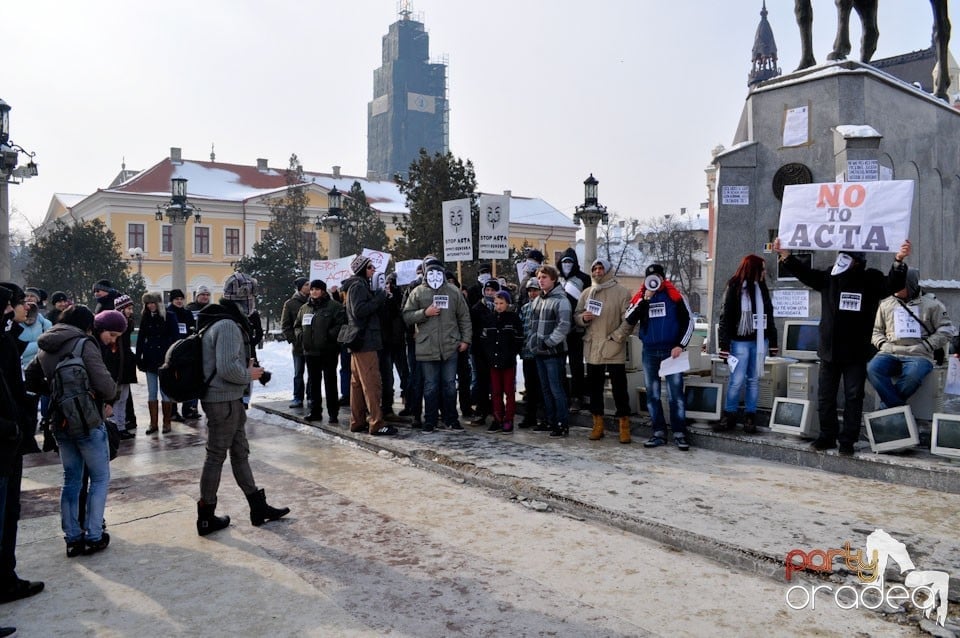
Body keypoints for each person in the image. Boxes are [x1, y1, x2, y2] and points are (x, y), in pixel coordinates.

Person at [774, 238, 910, 455]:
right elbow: (808, 275)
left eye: (846, 257)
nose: (841, 261)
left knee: (854, 397)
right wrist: (786, 256)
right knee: (825, 396)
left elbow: (892, 285)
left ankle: (848, 440)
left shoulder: (870, 279)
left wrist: (899, 260)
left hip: (855, 351)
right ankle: (827, 436)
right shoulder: (830, 277)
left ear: (857, 261)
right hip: (829, 350)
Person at [193, 288, 290, 536]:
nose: (253, 305)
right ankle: (206, 516)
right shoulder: (227, 325)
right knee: (216, 456)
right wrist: (250, 374)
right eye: (251, 300)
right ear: (243, 301)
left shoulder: (220, 320)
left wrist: (245, 369)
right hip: (222, 400)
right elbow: (227, 369)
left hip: (228, 399)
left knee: (240, 452)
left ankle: (257, 507)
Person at [26, 305, 115, 557]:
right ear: (86, 325)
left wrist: (57, 395)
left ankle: (72, 538)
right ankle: (95, 535)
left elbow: (31, 378)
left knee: (70, 480)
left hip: (60, 421)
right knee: (99, 478)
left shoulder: (46, 345)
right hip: (87, 420)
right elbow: (105, 385)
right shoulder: (84, 344)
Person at [0, 283, 44, 606]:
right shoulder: (3, 340)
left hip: (10, 438)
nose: (24, 309)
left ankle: (7, 576)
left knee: (10, 511)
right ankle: (4, 580)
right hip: (4, 441)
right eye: (19, 304)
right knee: (4, 514)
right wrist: (13, 427)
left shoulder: (7, 335)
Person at [625, 264, 696, 451]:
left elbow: (689, 322)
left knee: (676, 396)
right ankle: (658, 433)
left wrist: (680, 345)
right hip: (649, 351)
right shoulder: (641, 297)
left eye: (657, 276)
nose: (654, 280)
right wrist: (644, 300)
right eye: (650, 277)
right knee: (652, 395)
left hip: (671, 352)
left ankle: (679, 434)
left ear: (663, 278)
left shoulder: (675, 296)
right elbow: (629, 318)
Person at [868, 268, 955, 409]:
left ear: (910, 284)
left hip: (919, 353)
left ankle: (886, 410)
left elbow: (946, 330)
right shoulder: (885, 304)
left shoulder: (933, 305)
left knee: (912, 376)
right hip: (890, 351)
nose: (895, 288)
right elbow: (876, 331)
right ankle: (896, 409)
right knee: (873, 369)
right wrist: (884, 345)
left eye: (899, 284)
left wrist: (926, 346)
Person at [403, 257, 472, 433]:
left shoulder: (453, 291)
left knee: (449, 385)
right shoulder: (417, 292)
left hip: (450, 346)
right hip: (427, 347)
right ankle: (430, 420)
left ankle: (451, 420)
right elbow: (407, 316)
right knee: (431, 386)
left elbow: (464, 317)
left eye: (438, 272)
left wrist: (465, 339)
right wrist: (425, 313)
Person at [715, 254, 779, 434]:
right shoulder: (734, 286)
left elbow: (769, 315)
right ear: (753, 269)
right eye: (762, 269)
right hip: (739, 342)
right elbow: (725, 317)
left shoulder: (762, 288)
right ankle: (730, 415)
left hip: (759, 341)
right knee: (736, 380)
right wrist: (724, 346)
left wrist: (773, 342)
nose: (765, 272)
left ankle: (750, 416)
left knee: (754, 380)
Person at [574, 258, 634, 443]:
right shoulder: (586, 293)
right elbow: (576, 315)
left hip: (613, 345)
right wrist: (583, 318)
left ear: (608, 270)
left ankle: (624, 425)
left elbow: (629, 320)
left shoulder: (622, 292)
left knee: (619, 389)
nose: (598, 272)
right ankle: (597, 423)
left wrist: (617, 337)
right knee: (594, 388)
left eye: (601, 268)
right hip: (593, 346)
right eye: (595, 268)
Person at [341, 255, 394, 435]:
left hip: (360, 341)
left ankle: (357, 421)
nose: (373, 270)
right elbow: (360, 311)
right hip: (365, 342)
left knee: (356, 385)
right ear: (363, 269)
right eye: (370, 267)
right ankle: (377, 423)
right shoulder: (358, 286)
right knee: (371, 383)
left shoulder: (355, 286)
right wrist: (379, 297)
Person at [526, 265, 572, 437]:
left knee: (556, 388)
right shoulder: (538, 300)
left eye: (544, 277)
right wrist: (533, 342)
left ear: (553, 279)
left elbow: (564, 326)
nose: (541, 280)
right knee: (545, 388)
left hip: (554, 352)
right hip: (539, 351)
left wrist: (549, 342)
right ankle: (549, 420)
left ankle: (562, 423)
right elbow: (532, 323)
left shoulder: (561, 300)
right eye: (539, 277)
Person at [295, 280, 346, 424]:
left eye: (317, 289)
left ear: (323, 291)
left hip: (328, 351)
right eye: (312, 289)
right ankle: (315, 411)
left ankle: (333, 413)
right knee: (314, 383)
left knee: (330, 382)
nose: (314, 292)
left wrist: (329, 336)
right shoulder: (305, 308)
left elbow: (340, 324)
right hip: (310, 352)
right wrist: (300, 336)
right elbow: (297, 325)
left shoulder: (334, 306)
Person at [480, 290, 524, 433]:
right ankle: (497, 418)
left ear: (507, 304)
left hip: (508, 361)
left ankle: (508, 419)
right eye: (496, 303)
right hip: (494, 361)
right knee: (496, 391)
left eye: (501, 303)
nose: (498, 306)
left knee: (509, 392)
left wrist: (512, 353)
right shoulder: (490, 318)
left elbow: (519, 339)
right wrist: (489, 355)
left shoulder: (513, 318)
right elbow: (485, 339)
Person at [558, 248, 591, 412]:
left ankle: (578, 396)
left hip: (576, 329)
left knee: (576, 364)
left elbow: (588, 301)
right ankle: (563, 396)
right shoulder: (556, 279)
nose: (567, 265)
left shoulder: (584, 278)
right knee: (559, 365)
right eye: (564, 261)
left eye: (570, 261)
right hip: (558, 330)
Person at [135, 292, 172, 435]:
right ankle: (153, 423)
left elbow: (173, 337)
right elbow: (140, 339)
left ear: (158, 303)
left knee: (165, 393)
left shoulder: (168, 317)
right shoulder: (145, 318)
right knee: (151, 393)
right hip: (150, 359)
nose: (151, 306)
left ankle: (167, 422)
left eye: (153, 303)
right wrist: (138, 358)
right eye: (148, 303)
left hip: (164, 359)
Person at [469, 279, 500, 426]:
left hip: (495, 351)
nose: (490, 293)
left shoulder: (500, 306)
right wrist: (481, 333)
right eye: (487, 290)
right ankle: (481, 411)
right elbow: (471, 328)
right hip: (480, 351)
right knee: (481, 382)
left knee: (495, 383)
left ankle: (497, 410)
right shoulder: (476, 308)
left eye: (493, 290)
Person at [517, 277, 545, 429]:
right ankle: (530, 417)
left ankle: (544, 417)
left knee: (542, 388)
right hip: (527, 353)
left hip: (540, 353)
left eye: (535, 290)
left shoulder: (544, 306)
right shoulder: (524, 308)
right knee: (530, 387)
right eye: (530, 291)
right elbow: (521, 329)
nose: (532, 293)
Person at [280, 277, 311, 409]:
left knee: (312, 373)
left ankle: (311, 397)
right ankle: (297, 397)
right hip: (298, 346)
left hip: (312, 345)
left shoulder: (314, 302)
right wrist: (293, 339)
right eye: (306, 285)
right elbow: (285, 325)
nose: (309, 287)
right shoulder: (290, 303)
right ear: (300, 287)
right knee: (298, 372)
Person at [112, 295, 139, 438]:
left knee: (123, 398)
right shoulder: (116, 326)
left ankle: (120, 426)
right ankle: (116, 427)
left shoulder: (127, 324)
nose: (131, 311)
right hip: (119, 367)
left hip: (126, 366)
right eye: (128, 308)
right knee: (117, 398)